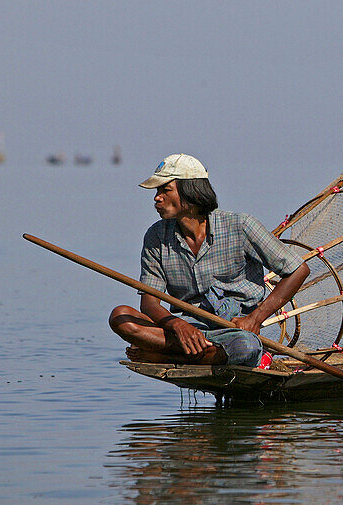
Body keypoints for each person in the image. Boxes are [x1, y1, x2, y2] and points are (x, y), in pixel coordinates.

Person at [109, 154, 310, 366]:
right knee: (120, 317)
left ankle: (166, 356)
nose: (157, 198)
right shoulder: (156, 237)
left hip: (232, 331)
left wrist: (254, 319)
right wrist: (178, 325)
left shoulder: (240, 226)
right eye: (157, 192)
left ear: (191, 192)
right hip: (186, 330)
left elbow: (298, 270)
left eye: (165, 190)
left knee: (246, 348)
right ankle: (199, 354)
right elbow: (149, 303)